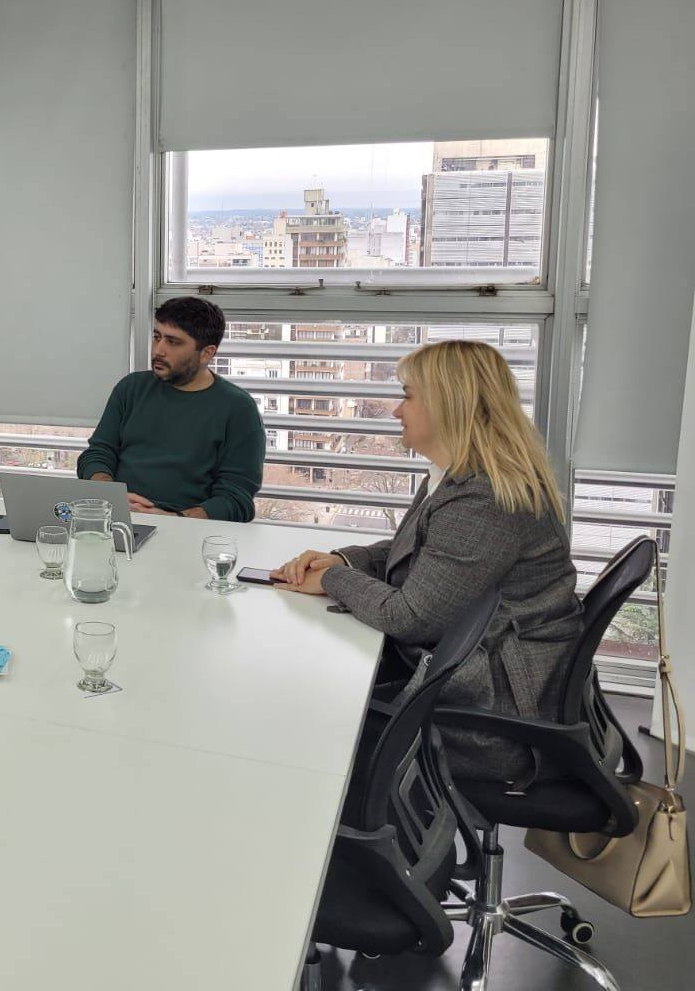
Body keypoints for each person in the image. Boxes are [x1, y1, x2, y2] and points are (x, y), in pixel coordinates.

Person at [274, 339, 582, 785]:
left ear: (448, 405)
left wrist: (334, 579)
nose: (397, 411)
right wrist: (342, 558)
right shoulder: (460, 475)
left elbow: (410, 616)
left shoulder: (487, 499)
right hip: (469, 678)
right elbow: (421, 551)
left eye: (408, 396)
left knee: (309, 723)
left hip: (490, 716)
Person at [76, 296, 265, 521]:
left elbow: (236, 499)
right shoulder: (131, 388)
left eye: (173, 342)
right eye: (157, 337)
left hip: (187, 529)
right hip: (116, 516)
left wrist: (173, 518)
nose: (159, 350)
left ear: (207, 353)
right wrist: (111, 495)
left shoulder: (238, 408)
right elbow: (98, 454)